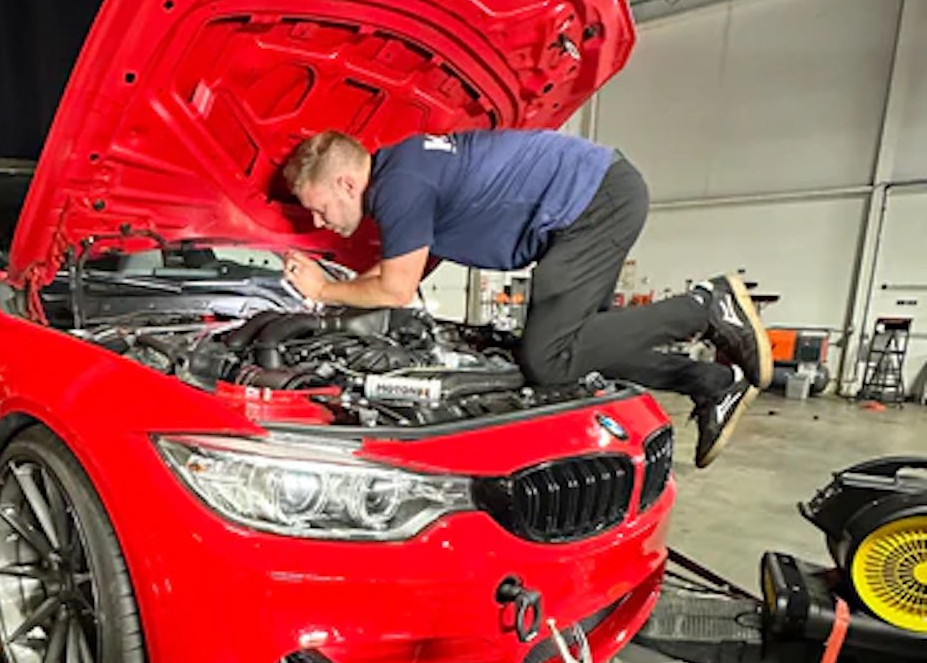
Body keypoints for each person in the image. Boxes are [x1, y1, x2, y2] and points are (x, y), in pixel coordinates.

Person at [281, 130, 772, 467]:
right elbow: (406, 268)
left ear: (346, 183)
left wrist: (323, 291)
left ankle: (708, 306)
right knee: (582, 354)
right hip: (599, 196)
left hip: (593, 202)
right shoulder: (407, 167)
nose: (321, 224)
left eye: (319, 210)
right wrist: (345, 302)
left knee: (546, 358)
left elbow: (396, 288)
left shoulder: (398, 186)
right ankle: (710, 383)